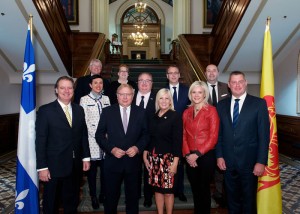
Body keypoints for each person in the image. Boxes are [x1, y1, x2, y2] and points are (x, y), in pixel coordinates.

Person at [216, 71, 270, 213]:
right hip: (228, 162)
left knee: (248, 201)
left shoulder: (259, 104)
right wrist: (219, 155)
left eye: (240, 81)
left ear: (246, 83)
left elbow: (264, 135)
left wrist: (261, 161)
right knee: (232, 200)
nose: (237, 85)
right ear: (228, 85)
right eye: (233, 82)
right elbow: (219, 134)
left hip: (250, 163)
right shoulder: (221, 105)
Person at [36, 76, 91, 214]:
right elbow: (40, 140)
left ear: (73, 90)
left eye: (70, 87)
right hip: (53, 167)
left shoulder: (79, 110)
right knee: (51, 203)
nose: (66, 91)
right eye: (62, 87)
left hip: (74, 165)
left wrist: (86, 157)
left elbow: (83, 135)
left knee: (72, 201)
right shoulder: (45, 111)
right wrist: (42, 167)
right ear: (56, 90)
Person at [95, 84, 148, 214]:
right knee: (111, 198)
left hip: (133, 162)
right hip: (112, 162)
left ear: (133, 95)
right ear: (117, 96)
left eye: (128, 94)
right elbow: (99, 135)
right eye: (122, 94)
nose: (125, 97)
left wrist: (137, 148)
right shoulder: (108, 112)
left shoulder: (141, 112)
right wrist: (111, 149)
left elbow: (146, 135)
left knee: (132, 198)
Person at [182, 81, 220, 214]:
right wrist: (187, 155)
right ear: (190, 94)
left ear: (205, 94)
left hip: (205, 155)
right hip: (189, 157)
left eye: (200, 92)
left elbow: (213, 137)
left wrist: (197, 154)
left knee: (204, 189)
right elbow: (184, 135)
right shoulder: (186, 112)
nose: (196, 95)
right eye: (194, 92)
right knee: (195, 189)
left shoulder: (211, 111)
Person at [143, 88, 182, 214]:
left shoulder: (175, 116)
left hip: (168, 159)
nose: (164, 101)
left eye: (167, 98)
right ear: (157, 100)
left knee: (168, 192)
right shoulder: (153, 116)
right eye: (161, 98)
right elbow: (149, 138)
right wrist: (145, 154)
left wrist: (175, 163)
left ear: (170, 101)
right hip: (154, 159)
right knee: (157, 190)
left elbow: (178, 141)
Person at [79, 75, 110, 209]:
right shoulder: (84, 99)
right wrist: (98, 135)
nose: (98, 85)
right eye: (95, 83)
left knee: (105, 170)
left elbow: (110, 118)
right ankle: (93, 196)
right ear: (90, 85)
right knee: (92, 173)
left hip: (106, 141)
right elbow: (84, 121)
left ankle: (103, 193)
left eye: (100, 83)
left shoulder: (106, 98)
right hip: (91, 141)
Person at [205, 63, 230, 207]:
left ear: (218, 72)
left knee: (222, 166)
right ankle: (208, 194)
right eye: (209, 71)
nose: (211, 73)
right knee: (209, 167)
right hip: (206, 134)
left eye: (214, 70)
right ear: (205, 73)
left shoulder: (226, 87)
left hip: (223, 132)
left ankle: (220, 194)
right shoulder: (200, 88)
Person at [166, 65, 189, 201]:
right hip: (166, 133)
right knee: (168, 162)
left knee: (178, 163)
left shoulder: (187, 91)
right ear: (167, 76)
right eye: (171, 73)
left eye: (176, 73)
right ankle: (168, 188)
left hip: (182, 132)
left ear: (179, 74)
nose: (173, 75)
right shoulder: (162, 91)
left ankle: (179, 190)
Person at [133, 72, 156, 208]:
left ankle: (148, 197)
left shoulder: (157, 98)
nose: (144, 83)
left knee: (149, 171)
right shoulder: (129, 97)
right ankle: (134, 195)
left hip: (151, 142)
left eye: (148, 80)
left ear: (152, 84)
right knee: (134, 171)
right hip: (133, 143)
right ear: (137, 83)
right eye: (141, 80)